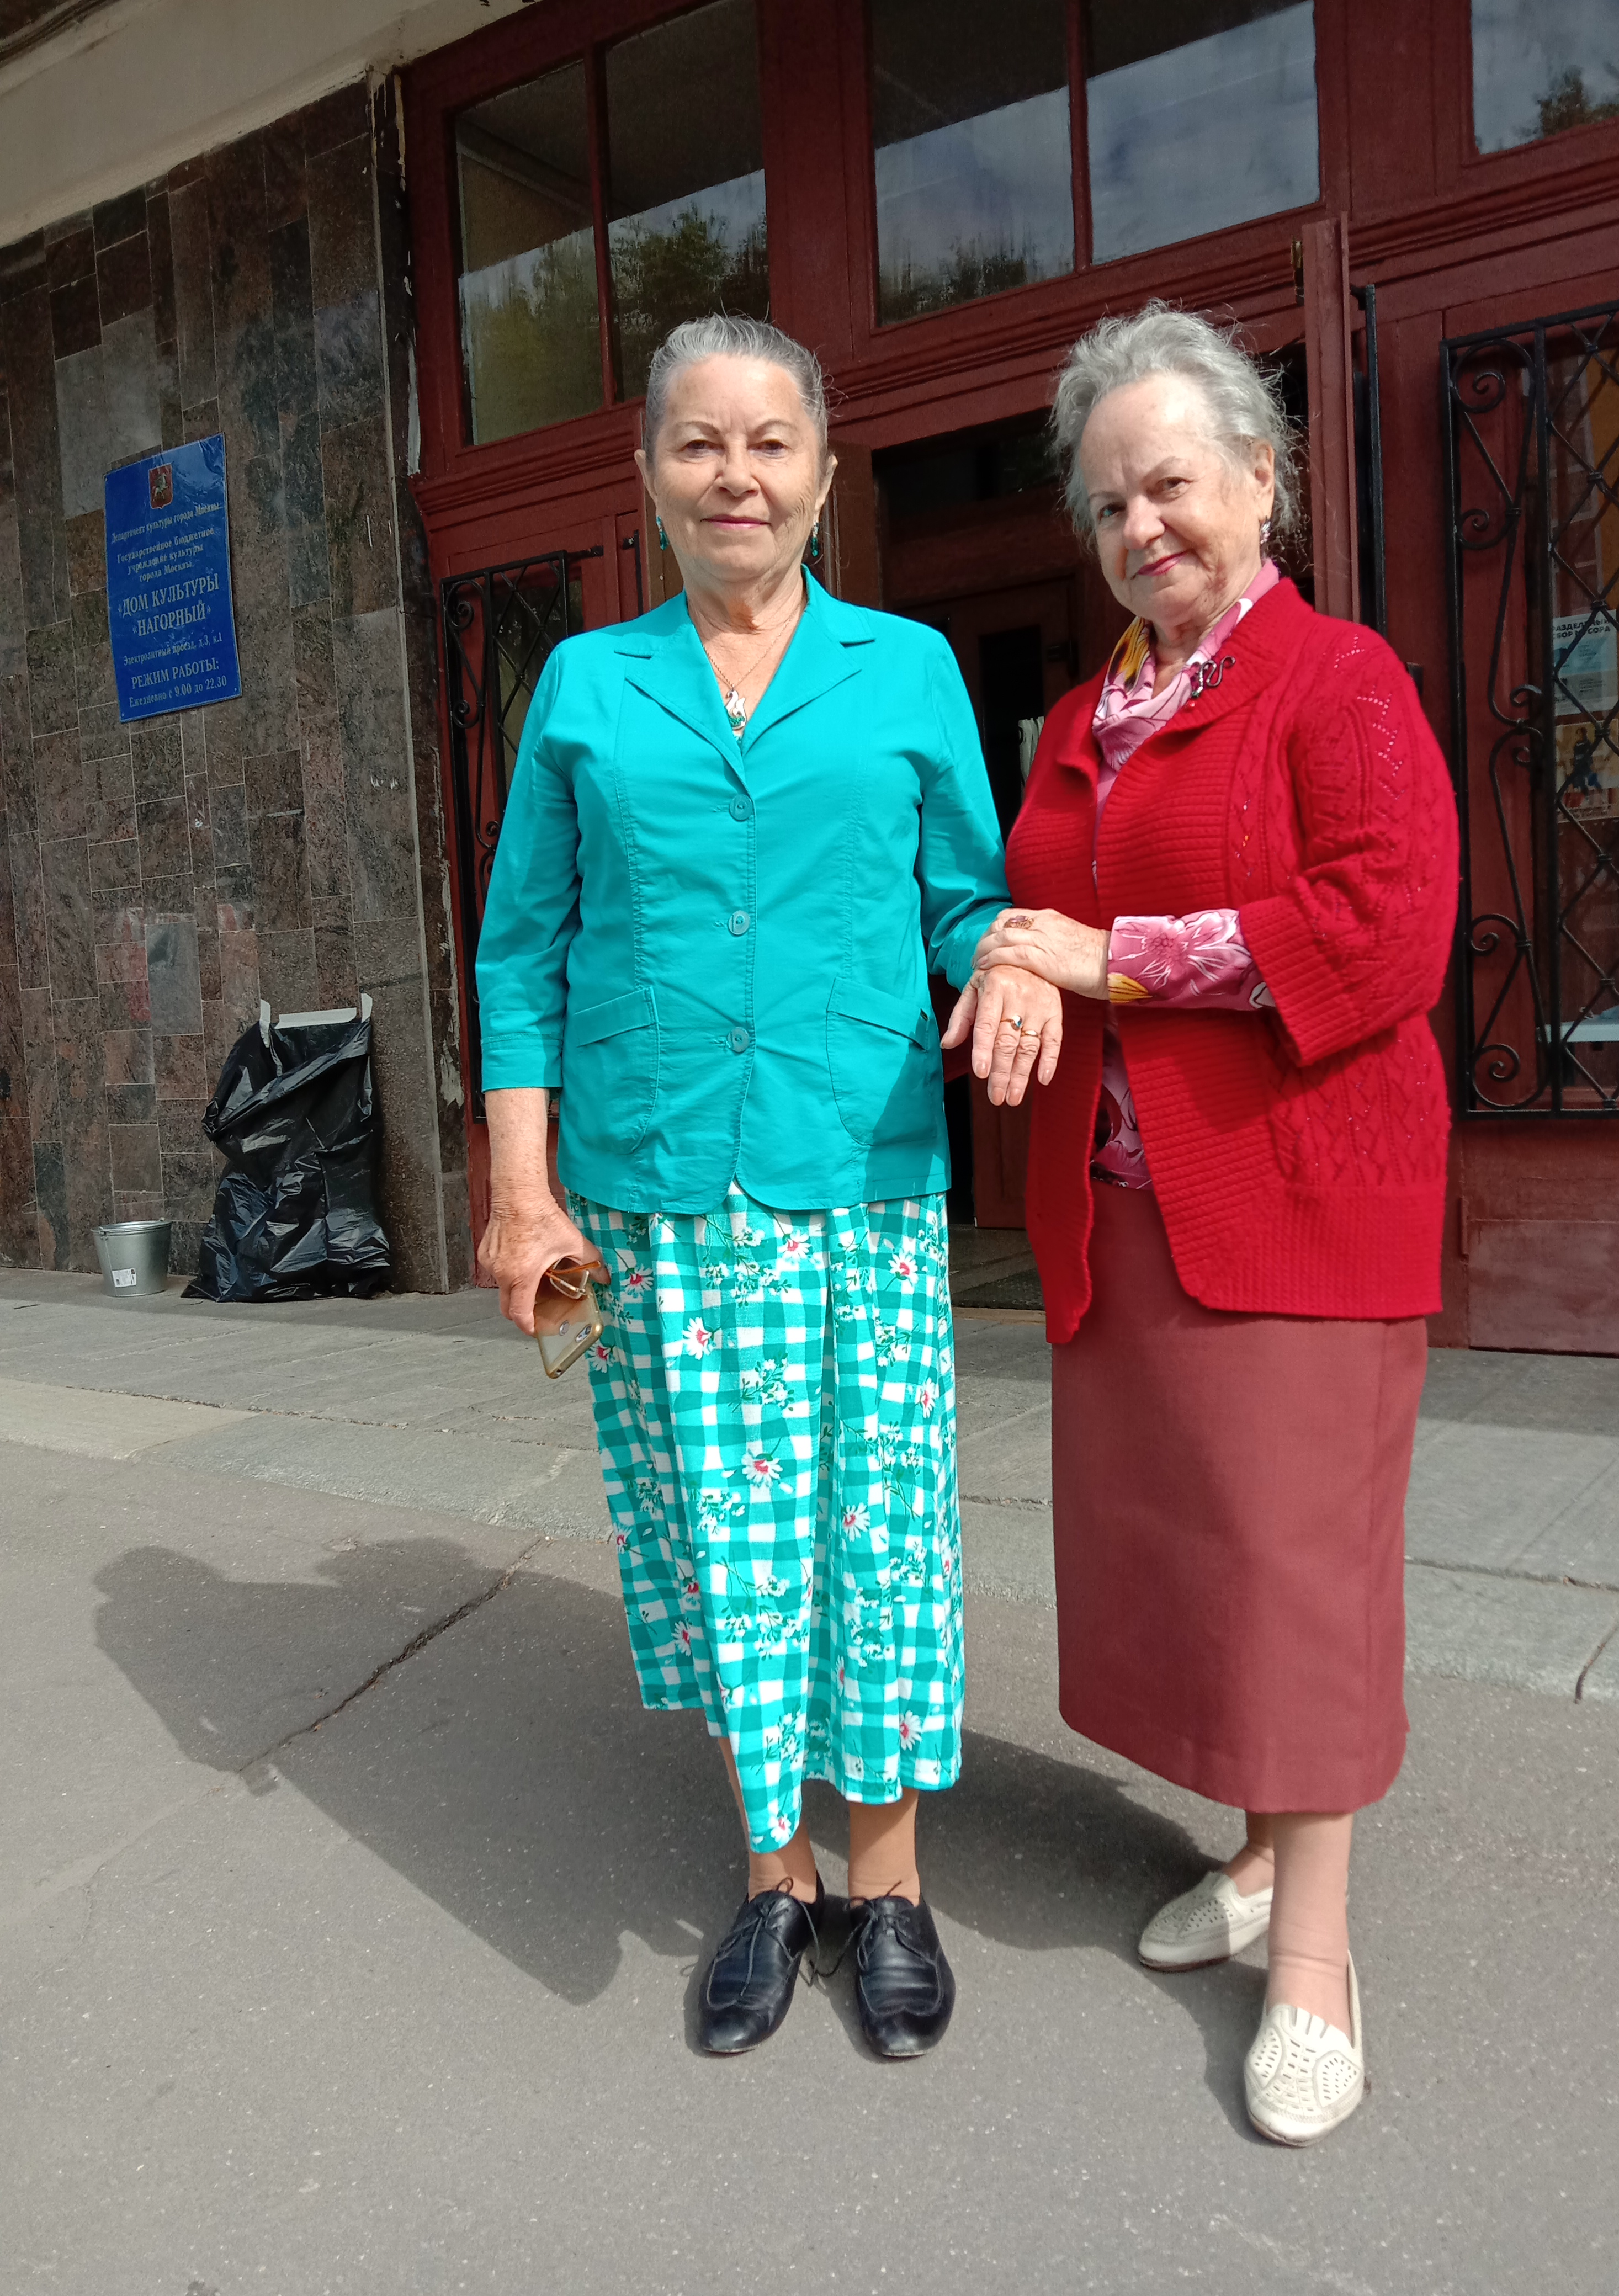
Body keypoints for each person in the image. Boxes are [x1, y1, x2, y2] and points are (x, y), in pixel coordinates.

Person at [474, 315, 1062, 2061]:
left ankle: (892, 1885)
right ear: (650, 476)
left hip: (855, 1169)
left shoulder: (907, 669)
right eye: (700, 444)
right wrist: (521, 1193)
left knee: (877, 1540)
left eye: (771, 443)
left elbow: (967, 897)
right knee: (723, 1545)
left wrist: (1010, 959)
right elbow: (521, 951)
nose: (737, 476)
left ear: (821, 471)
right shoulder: (589, 685)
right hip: (654, 1188)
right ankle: (773, 1880)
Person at [964, 302, 1457, 2143]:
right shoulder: (1085, 715)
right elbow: (1036, 912)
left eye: (1169, 483)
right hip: (1127, 1219)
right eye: (1107, 503)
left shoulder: (1339, 681)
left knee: (1298, 1572)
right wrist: (1020, 959)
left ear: (1262, 479)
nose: (1140, 526)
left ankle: (1315, 1958)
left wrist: (1114, 958)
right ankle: (1256, 1858)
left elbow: (1389, 929)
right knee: (1210, 1564)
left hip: (1302, 1205)